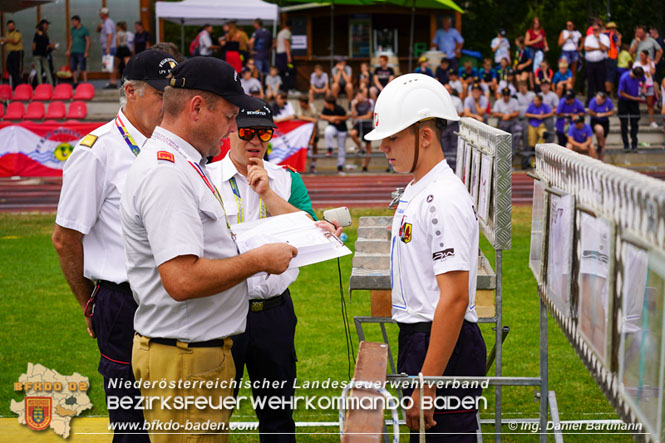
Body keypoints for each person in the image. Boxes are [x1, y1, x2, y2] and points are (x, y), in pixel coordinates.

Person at [120, 56, 296, 443]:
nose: (235, 127)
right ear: (197, 107)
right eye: (230, 115)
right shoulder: (168, 172)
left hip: (193, 354)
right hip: (185, 357)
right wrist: (258, 260)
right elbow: (181, 279)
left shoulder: (182, 163)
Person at [52, 49, 178, 443]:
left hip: (173, 296)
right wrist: (88, 301)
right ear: (130, 92)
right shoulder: (97, 151)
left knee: (173, 415)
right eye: (161, 95)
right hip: (123, 302)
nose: (168, 104)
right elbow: (65, 237)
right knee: (131, 423)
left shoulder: (170, 145)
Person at [364, 73, 486, 440]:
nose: (384, 146)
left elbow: (455, 298)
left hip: (441, 341)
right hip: (425, 339)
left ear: (426, 136)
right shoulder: (420, 187)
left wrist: (428, 383)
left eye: (394, 137)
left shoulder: (441, 199)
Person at [206, 102, 337, 442]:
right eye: (247, 132)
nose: (255, 141)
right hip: (222, 311)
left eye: (263, 133)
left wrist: (268, 193)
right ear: (229, 130)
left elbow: (311, 231)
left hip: (274, 313)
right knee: (211, 418)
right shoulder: (205, 179)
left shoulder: (286, 179)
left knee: (278, 417)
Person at [617, 66, 645, 151]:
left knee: (634, 122)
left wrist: (643, 88)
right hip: (624, 101)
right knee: (624, 123)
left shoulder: (639, 76)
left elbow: (644, 80)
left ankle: (634, 144)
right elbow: (621, 93)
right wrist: (634, 98)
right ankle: (626, 145)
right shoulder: (624, 78)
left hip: (634, 102)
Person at [321, 95, 348, 174]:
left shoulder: (339, 108)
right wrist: (330, 118)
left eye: (326, 103)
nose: (324, 104)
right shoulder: (326, 108)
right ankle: (330, 148)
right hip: (333, 127)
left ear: (330, 104)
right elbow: (322, 116)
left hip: (342, 129)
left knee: (341, 147)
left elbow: (346, 116)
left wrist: (337, 118)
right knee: (327, 131)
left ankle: (340, 167)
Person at [349, 88, 375, 172]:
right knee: (352, 134)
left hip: (367, 125)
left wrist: (357, 118)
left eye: (358, 95)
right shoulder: (354, 103)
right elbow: (353, 116)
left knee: (368, 147)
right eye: (355, 96)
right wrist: (353, 106)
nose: (357, 97)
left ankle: (365, 165)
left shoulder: (369, 102)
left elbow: (368, 116)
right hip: (358, 124)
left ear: (362, 94)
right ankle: (361, 148)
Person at [583, 24, 609, 104]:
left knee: (600, 82)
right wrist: (598, 48)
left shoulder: (605, 38)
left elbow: (604, 49)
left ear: (600, 30)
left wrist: (598, 40)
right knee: (590, 83)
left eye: (596, 29)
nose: (595, 31)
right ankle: (590, 101)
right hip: (590, 63)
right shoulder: (589, 38)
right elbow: (586, 48)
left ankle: (602, 100)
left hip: (600, 63)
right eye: (594, 30)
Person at [492, 87, 522, 154]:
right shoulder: (498, 102)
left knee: (518, 129)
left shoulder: (514, 101)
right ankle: (503, 150)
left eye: (507, 95)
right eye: (505, 95)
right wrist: (503, 115)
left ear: (510, 95)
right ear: (502, 95)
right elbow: (494, 113)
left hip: (513, 120)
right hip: (503, 121)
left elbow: (517, 112)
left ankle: (514, 149)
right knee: (503, 133)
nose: (506, 97)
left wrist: (509, 115)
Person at [633, 50, 658, 127]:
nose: (641, 57)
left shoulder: (651, 63)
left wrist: (649, 62)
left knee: (650, 104)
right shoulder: (636, 64)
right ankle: (635, 121)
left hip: (649, 85)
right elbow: (633, 73)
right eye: (640, 55)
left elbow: (653, 72)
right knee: (635, 103)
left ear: (647, 56)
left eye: (643, 55)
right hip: (639, 85)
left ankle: (652, 121)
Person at [441, 84, 464, 170]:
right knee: (444, 145)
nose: (447, 91)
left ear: (451, 90)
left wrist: (452, 116)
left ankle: (454, 166)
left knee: (454, 145)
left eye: (448, 89)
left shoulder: (457, 100)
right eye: (445, 89)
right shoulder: (440, 100)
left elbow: (461, 112)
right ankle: (446, 166)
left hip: (454, 124)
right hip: (443, 125)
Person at [296, 94, 320, 173]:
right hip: (304, 132)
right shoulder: (301, 108)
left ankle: (313, 165)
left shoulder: (313, 110)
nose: (299, 104)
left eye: (300, 102)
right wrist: (311, 119)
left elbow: (315, 125)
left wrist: (312, 138)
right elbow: (299, 117)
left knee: (314, 147)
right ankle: (303, 166)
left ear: (304, 103)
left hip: (313, 131)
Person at [587, 91, 614, 159]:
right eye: (597, 99)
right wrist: (596, 115)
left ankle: (601, 159)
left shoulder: (608, 101)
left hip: (605, 121)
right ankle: (600, 144)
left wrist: (603, 114)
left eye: (599, 100)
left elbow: (612, 111)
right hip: (595, 120)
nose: (597, 101)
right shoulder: (593, 101)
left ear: (603, 100)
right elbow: (590, 111)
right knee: (600, 130)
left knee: (603, 145)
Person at [64, 16, 90, 85]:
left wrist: (86, 51)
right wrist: (69, 50)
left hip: (81, 51)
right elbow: (71, 40)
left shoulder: (84, 29)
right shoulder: (72, 29)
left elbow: (88, 41)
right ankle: (75, 82)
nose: (72, 23)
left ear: (78, 21)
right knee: (73, 67)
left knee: (83, 67)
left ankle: (85, 82)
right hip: (73, 51)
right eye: (72, 22)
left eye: (73, 21)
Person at [97, 7, 117, 89]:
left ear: (103, 14)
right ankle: (112, 82)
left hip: (109, 47)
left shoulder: (108, 22)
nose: (99, 14)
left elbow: (110, 35)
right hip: (108, 46)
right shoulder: (105, 22)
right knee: (109, 65)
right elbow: (99, 31)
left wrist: (108, 48)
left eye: (100, 13)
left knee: (110, 65)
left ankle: (113, 82)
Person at [558, 20, 582, 85]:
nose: (568, 27)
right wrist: (567, 38)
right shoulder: (564, 32)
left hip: (574, 52)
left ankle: (571, 88)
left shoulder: (577, 33)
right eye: (567, 25)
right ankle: (562, 86)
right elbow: (559, 43)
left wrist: (580, 48)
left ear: (573, 26)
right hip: (565, 52)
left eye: (570, 25)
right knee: (563, 69)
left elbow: (583, 40)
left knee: (573, 71)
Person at [32, 19, 56, 86]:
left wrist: (34, 52)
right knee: (47, 70)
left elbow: (33, 46)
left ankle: (40, 85)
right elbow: (47, 46)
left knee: (38, 70)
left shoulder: (36, 35)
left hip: (37, 55)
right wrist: (52, 46)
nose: (47, 26)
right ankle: (51, 84)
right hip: (44, 54)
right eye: (46, 25)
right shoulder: (45, 35)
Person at [2, 20, 23, 86]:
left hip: (17, 52)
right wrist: (3, 42)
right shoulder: (7, 33)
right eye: (9, 26)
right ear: (7, 27)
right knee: (8, 67)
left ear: (14, 26)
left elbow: (15, 41)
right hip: (10, 53)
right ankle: (18, 83)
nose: (10, 27)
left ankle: (18, 84)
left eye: (12, 26)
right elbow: (7, 41)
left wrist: (7, 40)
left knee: (16, 69)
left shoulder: (17, 32)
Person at [275, 19, 295, 93]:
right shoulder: (287, 32)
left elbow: (276, 43)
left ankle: (283, 88)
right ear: (290, 26)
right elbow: (286, 43)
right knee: (291, 70)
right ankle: (290, 88)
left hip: (279, 55)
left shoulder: (280, 33)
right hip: (285, 55)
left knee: (282, 72)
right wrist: (289, 56)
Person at [604, 22, 621, 96]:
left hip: (604, 57)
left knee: (605, 75)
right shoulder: (612, 35)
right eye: (615, 28)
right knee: (610, 76)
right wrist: (619, 37)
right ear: (612, 28)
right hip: (611, 57)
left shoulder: (602, 34)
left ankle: (605, 92)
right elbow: (618, 44)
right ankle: (607, 93)